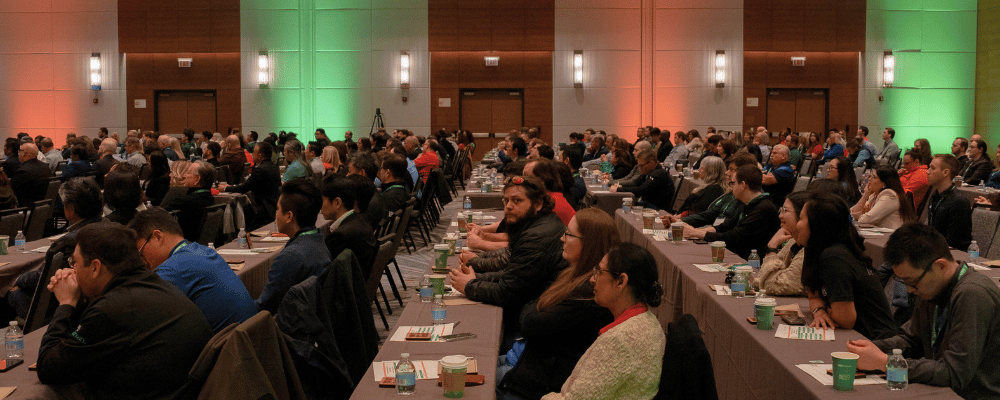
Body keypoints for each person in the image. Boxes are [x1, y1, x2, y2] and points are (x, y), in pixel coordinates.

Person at [36, 222, 214, 398]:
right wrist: (79, 303)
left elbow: (48, 368)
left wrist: (66, 303)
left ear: (95, 267)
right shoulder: (156, 285)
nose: (73, 269)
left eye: (75, 262)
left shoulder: (111, 309)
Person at [847, 223, 1000, 399]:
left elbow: (955, 373)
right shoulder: (932, 286)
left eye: (912, 282)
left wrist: (886, 362)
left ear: (940, 266)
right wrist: (873, 348)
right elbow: (911, 340)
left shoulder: (973, 294)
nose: (910, 290)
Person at [496, 209, 618, 399]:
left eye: (568, 234)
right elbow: (536, 307)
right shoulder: (572, 273)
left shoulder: (589, 292)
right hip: (532, 363)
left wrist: (534, 307)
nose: (562, 238)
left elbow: (531, 325)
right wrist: (534, 307)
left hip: (541, 383)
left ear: (589, 244)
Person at [449, 176, 569, 347]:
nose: (508, 206)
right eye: (506, 200)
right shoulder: (540, 223)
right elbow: (513, 272)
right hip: (534, 311)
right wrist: (477, 279)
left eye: (517, 200)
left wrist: (470, 286)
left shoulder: (536, 237)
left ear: (538, 204)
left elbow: (506, 293)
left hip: (532, 325)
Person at [541, 243, 665, 400]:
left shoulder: (622, 340)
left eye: (599, 272)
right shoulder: (648, 322)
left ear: (621, 281)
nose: (593, 279)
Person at [129, 208, 257, 332]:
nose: (142, 261)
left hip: (228, 349)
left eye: (141, 252)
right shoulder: (202, 250)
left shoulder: (172, 269)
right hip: (248, 341)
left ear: (157, 236)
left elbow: (140, 317)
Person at [799, 191, 897, 340]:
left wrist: (828, 310)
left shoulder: (834, 256)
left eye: (801, 218)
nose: (797, 223)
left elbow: (845, 320)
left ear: (817, 225)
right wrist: (819, 311)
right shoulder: (816, 250)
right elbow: (813, 295)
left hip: (875, 343)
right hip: (855, 337)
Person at [257, 179, 331, 314]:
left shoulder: (291, 257)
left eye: (278, 209)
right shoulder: (318, 238)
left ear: (289, 216)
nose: (276, 214)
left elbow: (265, 306)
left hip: (289, 327)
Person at [683, 165, 780, 260]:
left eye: (732, 183)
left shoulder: (763, 208)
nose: (731, 187)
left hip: (750, 263)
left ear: (742, 185)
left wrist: (696, 233)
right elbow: (725, 226)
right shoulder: (747, 204)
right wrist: (694, 231)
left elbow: (734, 237)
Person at [757, 191, 809, 296]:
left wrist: (772, 248)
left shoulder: (809, 249)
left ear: (802, 215)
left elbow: (774, 285)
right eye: (781, 210)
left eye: (785, 211)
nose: (780, 215)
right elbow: (766, 276)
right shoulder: (793, 242)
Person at [925, 154, 973, 250]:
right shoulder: (935, 196)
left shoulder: (959, 202)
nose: (927, 171)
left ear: (945, 172)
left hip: (952, 255)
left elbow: (954, 242)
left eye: (932, 168)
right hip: (935, 249)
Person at [160, 161, 215, 242]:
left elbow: (159, 214)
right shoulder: (210, 198)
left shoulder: (186, 202)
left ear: (197, 179)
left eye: (188, 173)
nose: (184, 175)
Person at [850, 166, 915, 229]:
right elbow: (852, 215)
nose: (870, 179)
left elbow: (865, 220)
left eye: (874, 177)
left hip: (892, 236)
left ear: (884, 183)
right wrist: (865, 196)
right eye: (871, 176)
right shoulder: (875, 194)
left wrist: (862, 215)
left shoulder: (889, 195)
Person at [524, 159, 576, 226]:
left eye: (526, 177)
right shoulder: (549, 198)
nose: (521, 180)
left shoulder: (551, 203)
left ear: (541, 180)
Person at [11, 142, 52, 207]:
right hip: (44, 207)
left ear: (24, 153)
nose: (18, 154)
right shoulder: (46, 167)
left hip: (28, 208)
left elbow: (12, 193)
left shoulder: (23, 172)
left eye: (19, 151)